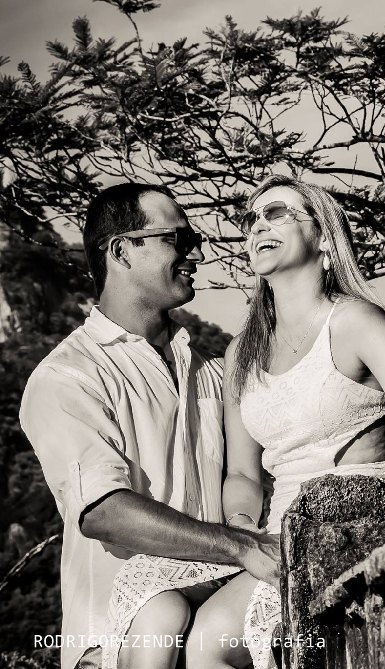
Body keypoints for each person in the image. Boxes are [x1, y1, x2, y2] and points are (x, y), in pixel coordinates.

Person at [107, 175, 385, 669]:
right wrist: (244, 532)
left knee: (217, 644)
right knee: (167, 615)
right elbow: (242, 474)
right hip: (277, 537)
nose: (257, 227)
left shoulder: (356, 321)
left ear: (324, 239)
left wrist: (384, 540)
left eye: (277, 214)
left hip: (351, 522)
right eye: (251, 219)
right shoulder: (241, 353)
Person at [18, 183, 281, 669]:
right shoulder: (68, 376)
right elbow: (103, 512)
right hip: (115, 645)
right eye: (177, 240)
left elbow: (250, 475)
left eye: (193, 240)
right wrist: (242, 546)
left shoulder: (213, 372)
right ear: (121, 251)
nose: (195, 254)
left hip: (213, 634)